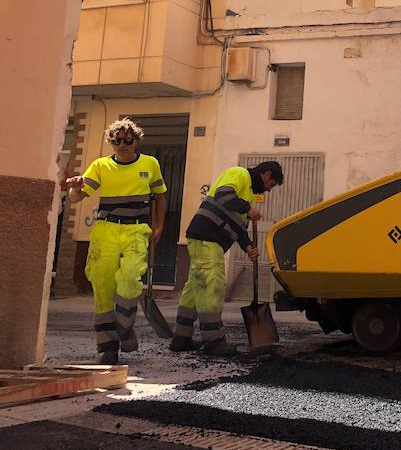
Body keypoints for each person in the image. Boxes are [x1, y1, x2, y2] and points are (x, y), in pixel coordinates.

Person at [63, 118, 166, 365]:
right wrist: (74, 187)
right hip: (105, 230)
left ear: (136, 141)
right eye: (117, 140)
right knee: (103, 285)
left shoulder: (150, 164)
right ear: (111, 142)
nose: (123, 145)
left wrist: (159, 226)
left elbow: (160, 197)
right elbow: (76, 198)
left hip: (136, 230)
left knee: (130, 278)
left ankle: (124, 327)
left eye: (128, 140)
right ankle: (108, 346)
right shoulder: (100, 166)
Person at [169, 161, 283, 356]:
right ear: (266, 175)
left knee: (195, 288)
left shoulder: (248, 193)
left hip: (206, 239)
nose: (268, 190)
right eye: (271, 184)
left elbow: (238, 227)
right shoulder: (239, 174)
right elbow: (223, 196)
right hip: (207, 238)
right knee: (212, 286)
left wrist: (248, 246)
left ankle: (181, 338)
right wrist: (247, 209)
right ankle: (214, 341)